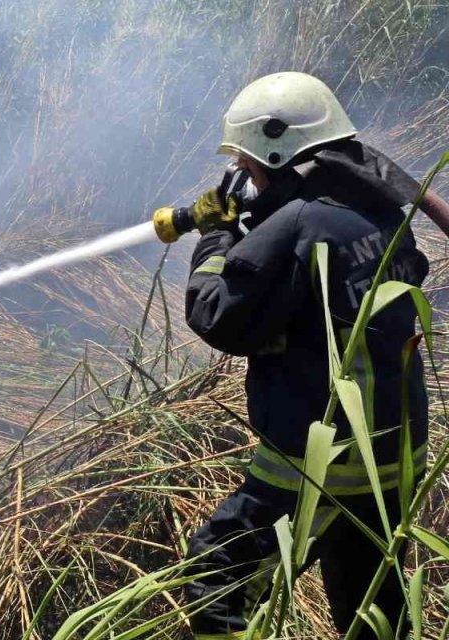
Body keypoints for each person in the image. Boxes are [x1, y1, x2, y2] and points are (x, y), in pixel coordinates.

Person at [176, 71, 440, 639]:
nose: (244, 181)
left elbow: (216, 315)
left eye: (247, 169)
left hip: (326, 464)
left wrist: (216, 236)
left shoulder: (298, 223)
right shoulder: (381, 211)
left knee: (213, 577)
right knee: (369, 605)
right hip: (395, 458)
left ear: (278, 152)